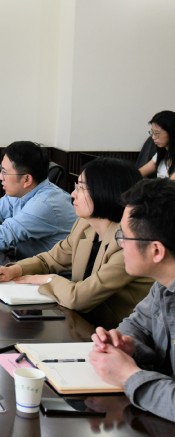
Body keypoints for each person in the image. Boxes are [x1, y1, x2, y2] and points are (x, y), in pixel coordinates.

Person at [0, 158, 151, 329]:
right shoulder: (85, 225)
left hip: (119, 334)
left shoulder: (128, 243)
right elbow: (50, 260)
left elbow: (78, 298)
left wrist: (47, 279)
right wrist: (15, 270)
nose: (73, 194)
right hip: (85, 325)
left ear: (105, 191)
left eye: (81, 188)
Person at [90, 179, 175, 422]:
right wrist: (127, 345)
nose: (120, 245)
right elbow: (136, 324)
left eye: (125, 237)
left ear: (156, 251)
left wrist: (128, 375)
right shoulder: (163, 284)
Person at [139, 110, 175, 179]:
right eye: (152, 132)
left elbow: (170, 183)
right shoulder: (163, 152)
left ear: (172, 132)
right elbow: (139, 173)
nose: (153, 137)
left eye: (157, 133)